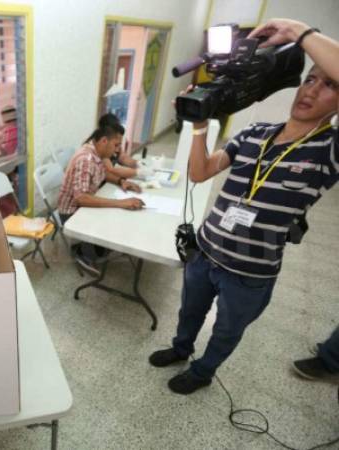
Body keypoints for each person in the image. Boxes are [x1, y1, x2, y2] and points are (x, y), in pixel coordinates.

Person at [149, 19, 339, 394]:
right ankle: (180, 348)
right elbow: (201, 173)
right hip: (205, 253)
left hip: (250, 273)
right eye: (310, 79)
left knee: (226, 329)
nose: (312, 90)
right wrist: (200, 127)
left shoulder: (328, 151)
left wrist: (299, 33)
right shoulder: (254, 133)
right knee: (189, 313)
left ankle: (202, 372)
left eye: (330, 84)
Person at [57, 123, 144, 225]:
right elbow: (81, 198)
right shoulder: (86, 160)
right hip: (72, 213)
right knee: (118, 222)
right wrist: (121, 203)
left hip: (84, 203)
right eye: (116, 145)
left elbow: (102, 173)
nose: (117, 150)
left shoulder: (96, 151)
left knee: (122, 216)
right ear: (104, 141)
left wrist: (121, 181)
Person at [98, 113, 152, 180]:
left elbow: (123, 158)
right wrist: (138, 172)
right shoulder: (102, 149)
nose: (117, 149)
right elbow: (111, 170)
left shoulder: (115, 142)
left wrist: (137, 163)